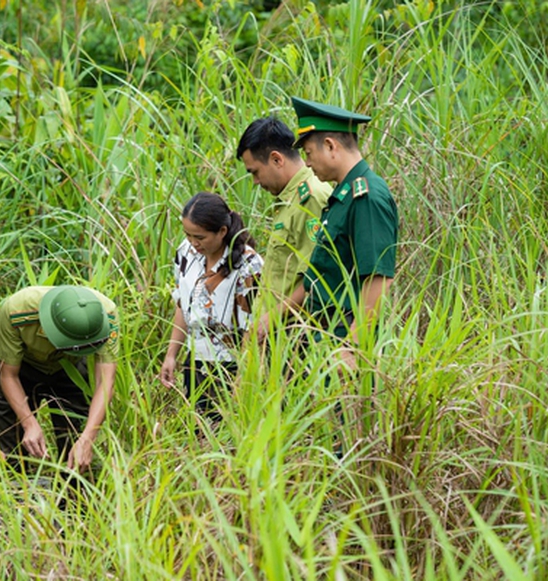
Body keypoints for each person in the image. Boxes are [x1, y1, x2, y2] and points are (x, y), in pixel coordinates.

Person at [277, 97, 398, 367]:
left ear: (330, 146)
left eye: (308, 153)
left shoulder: (366, 196)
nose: (306, 163)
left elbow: (378, 277)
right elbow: (320, 275)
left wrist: (352, 347)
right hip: (325, 338)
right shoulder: (342, 197)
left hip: (344, 340)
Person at [0, 285, 118, 473]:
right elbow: (8, 374)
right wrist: (29, 423)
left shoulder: (106, 315)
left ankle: (74, 496)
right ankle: (14, 490)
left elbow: (105, 383)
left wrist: (89, 436)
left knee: (74, 440)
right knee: (12, 447)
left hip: (70, 369)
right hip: (22, 367)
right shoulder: (18, 309)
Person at [158, 192, 264, 421]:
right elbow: (182, 305)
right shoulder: (185, 253)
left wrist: (243, 378)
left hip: (231, 365)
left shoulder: (247, 264)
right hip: (195, 361)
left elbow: (252, 326)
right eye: (188, 235)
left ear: (222, 232)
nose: (194, 243)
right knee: (197, 434)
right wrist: (171, 354)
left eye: (200, 237)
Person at [236, 117, 332, 308]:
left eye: (255, 172)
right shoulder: (289, 199)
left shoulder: (311, 198)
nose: (255, 182)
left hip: (294, 329)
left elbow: (315, 278)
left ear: (276, 159)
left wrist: (268, 322)